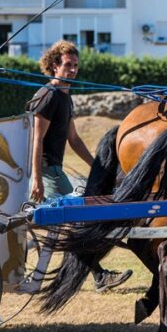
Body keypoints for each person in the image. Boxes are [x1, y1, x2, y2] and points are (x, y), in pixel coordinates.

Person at [29, 40, 131, 292]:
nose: (73, 70)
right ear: (54, 66)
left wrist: (98, 167)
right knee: (73, 221)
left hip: (54, 169)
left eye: (75, 65)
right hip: (45, 169)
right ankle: (98, 275)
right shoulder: (48, 96)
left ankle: (96, 275)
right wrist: (37, 178)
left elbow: (73, 139)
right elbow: (36, 139)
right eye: (67, 65)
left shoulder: (65, 97)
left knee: (78, 219)